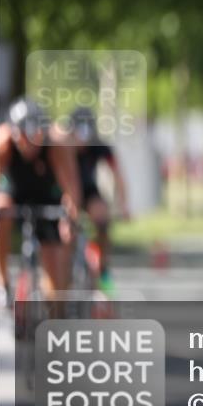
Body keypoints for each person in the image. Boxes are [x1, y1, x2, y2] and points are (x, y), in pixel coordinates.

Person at [0, 98, 82, 308]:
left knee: (56, 270)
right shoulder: (2, 142)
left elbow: (71, 190)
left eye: (35, 137)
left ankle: (54, 308)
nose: (29, 144)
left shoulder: (57, 145)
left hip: (47, 196)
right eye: (23, 138)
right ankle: (3, 283)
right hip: (15, 193)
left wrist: (68, 220)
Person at [70, 106, 129, 291]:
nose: (82, 139)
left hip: (88, 191)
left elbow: (117, 174)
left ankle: (103, 268)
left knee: (102, 218)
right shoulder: (60, 146)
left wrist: (124, 204)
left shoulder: (99, 146)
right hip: (64, 191)